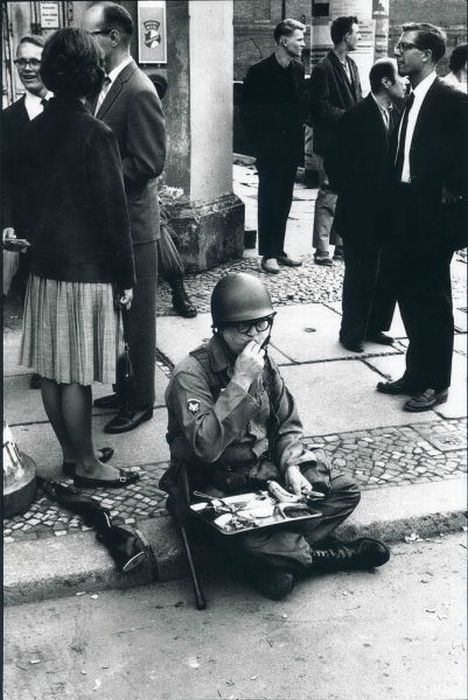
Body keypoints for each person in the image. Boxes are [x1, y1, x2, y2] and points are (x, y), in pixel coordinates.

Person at [160, 273, 390, 600]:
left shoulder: (265, 364)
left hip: (265, 478)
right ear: (220, 327)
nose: (256, 334)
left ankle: (278, 556)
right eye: (244, 327)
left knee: (345, 490)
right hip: (213, 486)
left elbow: (286, 424)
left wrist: (293, 467)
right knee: (251, 541)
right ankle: (319, 557)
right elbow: (206, 447)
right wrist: (239, 383)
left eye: (263, 324)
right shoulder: (190, 375)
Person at [16, 27, 138, 488]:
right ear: (92, 74)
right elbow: (114, 216)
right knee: (78, 375)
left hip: (45, 268)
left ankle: (71, 454)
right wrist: (125, 278)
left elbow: (25, 201)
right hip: (86, 270)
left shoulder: (35, 128)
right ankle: (86, 463)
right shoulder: (96, 133)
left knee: (51, 369)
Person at [84, 2, 167, 433]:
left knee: (137, 319)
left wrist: (96, 176)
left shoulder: (137, 89)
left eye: (91, 35)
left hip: (134, 226)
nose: (86, 43)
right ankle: (124, 386)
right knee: (117, 313)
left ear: (113, 37)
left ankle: (141, 402)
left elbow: (149, 162)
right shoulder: (106, 83)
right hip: (113, 224)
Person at [377, 23, 468, 411]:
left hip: (433, 215)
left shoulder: (451, 98)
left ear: (427, 55)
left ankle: (437, 382)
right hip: (405, 208)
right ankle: (415, 373)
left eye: (405, 47)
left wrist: (454, 189)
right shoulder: (410, 96)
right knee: (408, 293)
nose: (398, 52)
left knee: (433, 299)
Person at [328, 59, 406, 353]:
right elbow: (335, 166)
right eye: (400, 78)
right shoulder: (356, 116)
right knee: (360, 274)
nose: (405, 83)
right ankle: (351, 333)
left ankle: (374, 327)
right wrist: (359, 195)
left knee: (385, 273)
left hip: (387, 214)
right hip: (361, 213)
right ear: (385, 82)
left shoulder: (396, 113)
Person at [2, 35, 52, 389]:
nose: (28, 68)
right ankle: (44, 361)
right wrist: (5, 222)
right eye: (22, 62)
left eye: (35, 61)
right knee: (35, 291)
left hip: (68, 220)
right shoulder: (8, 119)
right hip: (28, 223)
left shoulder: (71, 109)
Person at [242, 19, 305, 275]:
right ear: (283, 41)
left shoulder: (297, 69)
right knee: (269, 198)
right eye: (299, 39)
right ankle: (267, 254)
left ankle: (278, 249)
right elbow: (247, 113)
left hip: (290, 147)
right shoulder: (259, 72)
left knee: (285, 199)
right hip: (269, 149)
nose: (303, 44)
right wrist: (261, 145)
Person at [308, 15, 362, 266]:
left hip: (348, 144)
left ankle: (340, 246)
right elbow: (320, 108)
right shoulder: (323, 68)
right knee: (328, 194)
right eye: (356, 33)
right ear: (345, 37)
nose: (359, 37)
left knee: (346, 193)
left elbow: (358, 99)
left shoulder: (352, 64)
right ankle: (321, 250)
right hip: (329, 144)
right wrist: (351, 116)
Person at [149, 73, 197, 319]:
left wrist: (160, 192)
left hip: (144, 201)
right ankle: (179, 294)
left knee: (166, 236)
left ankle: (179, 293)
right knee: (162, 235)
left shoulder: (153, 121)